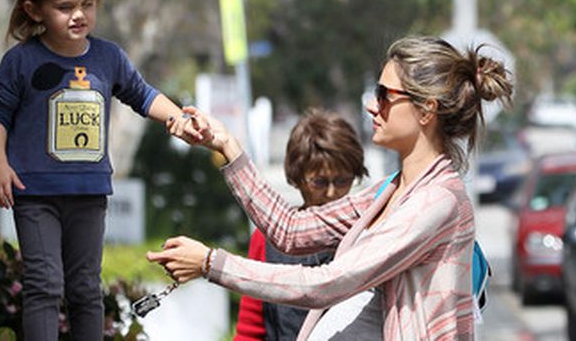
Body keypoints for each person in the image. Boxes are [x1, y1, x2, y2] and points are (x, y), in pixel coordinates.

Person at [149, 35, 513, 340]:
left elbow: (326, 284)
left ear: (425, 110)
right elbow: (290, 229)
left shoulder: (437, 201)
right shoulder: (391, 191)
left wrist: (211, 264)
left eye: (384, 95)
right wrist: (226, 145)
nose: (372, 106)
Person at [0, 0, 190, 341]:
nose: (79, 15)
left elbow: (143, 95)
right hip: (35, 194)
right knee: (45, 284)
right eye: (65, 7)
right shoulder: (20, 61)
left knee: (85, 289)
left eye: (88, 4)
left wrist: (177, 117)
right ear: (34, 10)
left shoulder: (108, 58)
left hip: (89, 194)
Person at [234, 108, 368, 340]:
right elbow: (250, 329)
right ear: (296, 178)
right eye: (319, 182)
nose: (331, 193)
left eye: (342, 181)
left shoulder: (368, 236)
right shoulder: (266, 239)